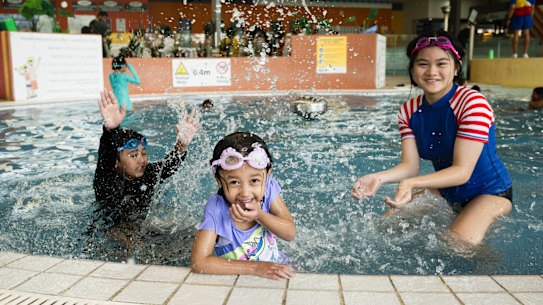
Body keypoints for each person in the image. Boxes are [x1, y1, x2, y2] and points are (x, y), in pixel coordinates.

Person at [352, 31, 513, 245]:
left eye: (441, 64)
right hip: (447, 190)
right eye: (423, 64)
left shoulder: (472, 103)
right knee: (386, 228)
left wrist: (411, 183)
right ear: (412, 69)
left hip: (490, 192)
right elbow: (410, 166)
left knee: (457, 244)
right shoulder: (409, 110)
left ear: (456, 68)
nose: (431, 72)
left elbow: (462, 171)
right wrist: (379, 178)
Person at [91, 90, 199, 250]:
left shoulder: (147, 173)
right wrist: (110, 130)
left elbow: (169, 166)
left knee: (192, 235)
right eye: (134, 155)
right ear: (116, 163)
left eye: (144, 153)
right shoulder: (107, 181)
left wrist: (182, 145)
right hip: (110, 228)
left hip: (139, 225)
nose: (142, 160)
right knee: (131, 240)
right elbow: (105, 158)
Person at [191, 132, 296, 280]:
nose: (245, 193)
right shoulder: (216, 208)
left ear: (267, 175)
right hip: (245, 277)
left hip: (277, 266)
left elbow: (290, 233)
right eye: (234, 182)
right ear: (219, 181)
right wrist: (257, 268)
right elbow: (199, 263)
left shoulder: (268, 188)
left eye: (254, 181)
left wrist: (260, 215)